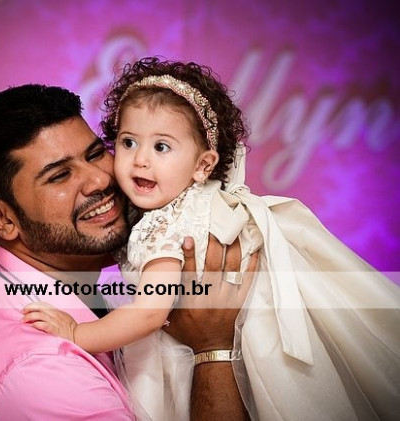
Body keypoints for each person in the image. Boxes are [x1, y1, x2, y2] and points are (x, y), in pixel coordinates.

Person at [22, 57, 400, 421]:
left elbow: (150, 312)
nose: (140, 160)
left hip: (227, 343)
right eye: (128, 142)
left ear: (203, 165)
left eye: (161, 147)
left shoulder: (166, 225)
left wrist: (77, 333)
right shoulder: (197, 202)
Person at [0, 83, 246, 420]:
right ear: (4, 219)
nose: (99, 180)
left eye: (95, 154)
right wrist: (213, 347)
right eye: (60, 176)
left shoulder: (48, 281)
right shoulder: (44, 373)